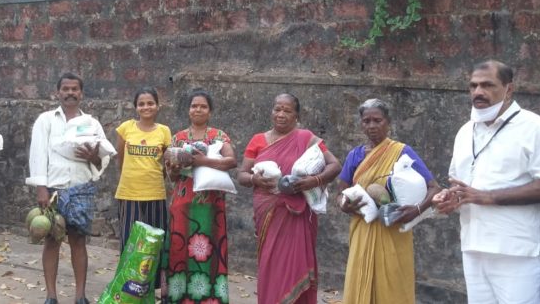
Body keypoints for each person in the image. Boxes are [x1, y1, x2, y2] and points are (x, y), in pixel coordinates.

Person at [434, 60, 540, 304]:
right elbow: (460, 186)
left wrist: (488, 197)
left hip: (517, 250)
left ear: (509, 89)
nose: (478, 92)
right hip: (473, 247)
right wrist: (449, 198)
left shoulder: (535, 126)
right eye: (473, 86)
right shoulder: (465, 131)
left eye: (487, 85)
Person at [236, 93, 342, 304]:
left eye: (287, 110)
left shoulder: (306, 138)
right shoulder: (258, 140)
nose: (281, 114)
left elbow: (335, 165)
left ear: (296, 115)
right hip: (268, 212)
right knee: (270, 263)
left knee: (296, 263)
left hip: (298, 213)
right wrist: (255, 179)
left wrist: (314, 180)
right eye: (277, 109)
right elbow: (241, 175)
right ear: (271, 111)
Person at [336, 98, 440, 304]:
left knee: (393, 282)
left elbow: (435, 187)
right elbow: (341, 192)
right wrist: (344, 205)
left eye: (377, 120)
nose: (372, 126)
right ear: (361, 124)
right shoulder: (354, 156)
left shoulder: (402, 152)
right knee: (359, 279)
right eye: (367, 121)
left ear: (388, 122)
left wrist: (417, 210)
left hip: (394, 230)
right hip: (362, 229)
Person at [27, 73, 112, 304]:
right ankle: (51, 296)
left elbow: (102, 160)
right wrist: (41, 189)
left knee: (78, 241)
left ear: (81, 93)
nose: (70, 93)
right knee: (51, 240)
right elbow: (37, 155)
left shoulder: (91, 123)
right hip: (53, 189)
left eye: (75, 89)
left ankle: (80, 296)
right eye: (66, 89)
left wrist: (94, 157)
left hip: (81, 188)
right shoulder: (46, 120)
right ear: (58, 92)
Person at [163, 90, 237, 303]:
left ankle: (210, 298)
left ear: (210, 111)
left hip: (211, 206)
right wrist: (176, 165)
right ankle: (179, 296)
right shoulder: (178, 137)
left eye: (203, 106)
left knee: (210, 249)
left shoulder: (218, 136)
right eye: (194, 106)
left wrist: (202, 161)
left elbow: (231, 161)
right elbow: (173, 176)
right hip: (182, 205)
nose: (198, 110)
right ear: (188, 110)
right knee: (180, 248)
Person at [114, 87, 172, 289]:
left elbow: (166, 165)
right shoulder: (125, 128)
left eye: (150, 103)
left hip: (155, 193)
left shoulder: (164, 131)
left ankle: (151, 289)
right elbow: (120, 160)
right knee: (130, 242)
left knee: (155, 243)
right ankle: (127, 288)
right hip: (129, 193)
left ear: (158, 106)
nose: (146, 107)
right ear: (135, 107)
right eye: (141, 104)